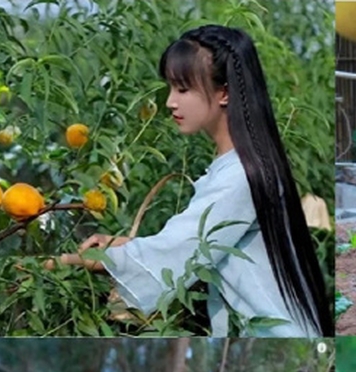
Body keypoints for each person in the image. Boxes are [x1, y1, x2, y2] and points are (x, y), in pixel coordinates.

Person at [54, 25, 332, 338]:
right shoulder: (240, 165)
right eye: (171, 88)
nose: (171, 102)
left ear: (224, 92)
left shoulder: (242, 175)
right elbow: (191, 243)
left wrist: (62, 262)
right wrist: (125, 246)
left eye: (183, 89)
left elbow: (178, 253)